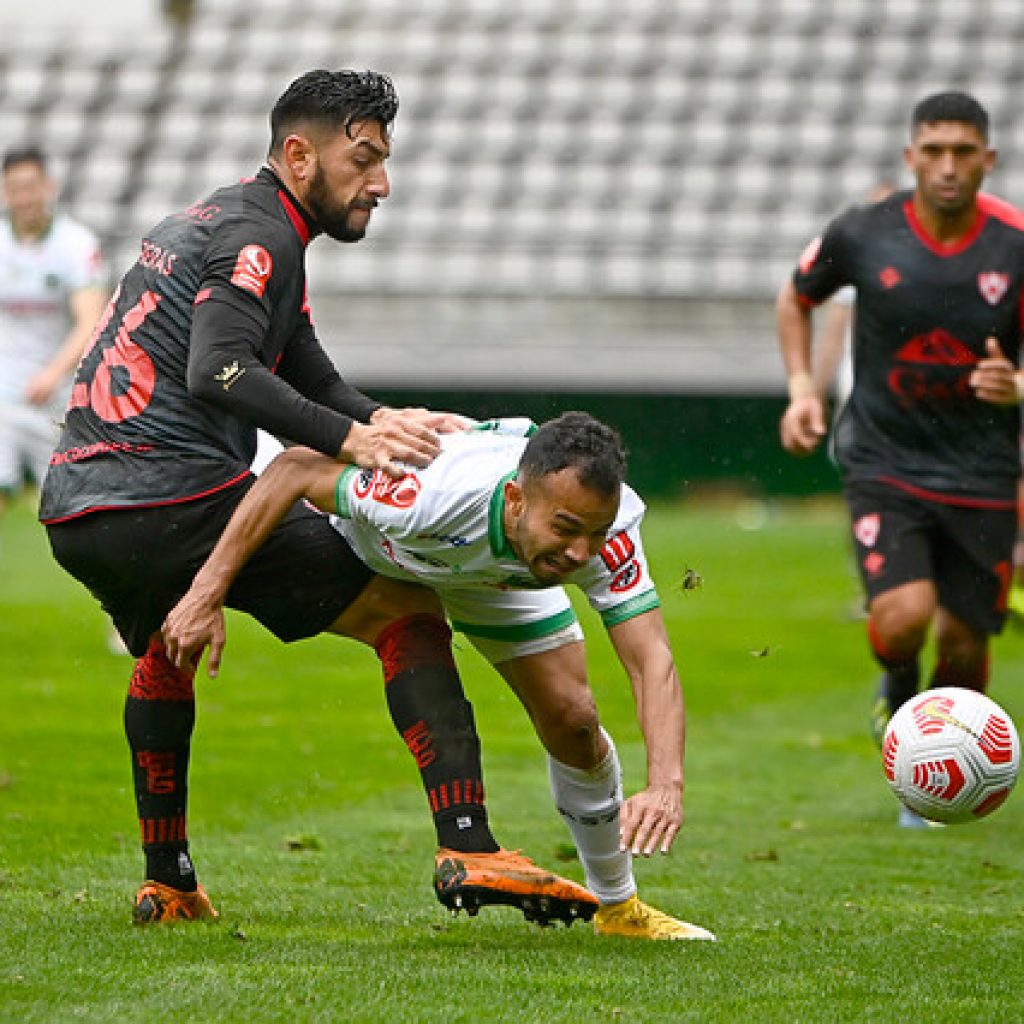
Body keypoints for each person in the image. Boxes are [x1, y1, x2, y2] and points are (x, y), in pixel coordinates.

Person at [39, 69, 591, 925]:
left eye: (385, 160)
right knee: (403, 607)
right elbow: (219, 370)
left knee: (168, 643)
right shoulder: (264, 239)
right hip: (166, 493)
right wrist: (350, 441)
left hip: (81, 506)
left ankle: (170, 880)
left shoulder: (222, 220)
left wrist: (383, 417)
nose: (381, 182)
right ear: (300, 155)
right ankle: (470, 843)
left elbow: (303, 366)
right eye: (362, 158)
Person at [162, 413, 717, 941]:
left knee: (574, 721)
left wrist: (666, 782)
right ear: (518, 499)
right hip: (391, 555)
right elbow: (294, 470)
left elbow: (651, 659)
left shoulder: (608, 529)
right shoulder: (426, 495)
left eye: (593, 535)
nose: (581, 552)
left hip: (497, 575)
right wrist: (204, 595)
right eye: (567, 528)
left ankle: (619, 907)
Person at [776, 91, 1024, 828]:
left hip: (983, 469)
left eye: (962, 152)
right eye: (934, 151)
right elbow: (797, 299)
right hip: (885, 458)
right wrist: (800, 390)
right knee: (905, 617)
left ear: (988, 159)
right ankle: (898, 693)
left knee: (960, 634)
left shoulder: (1015, 245)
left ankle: (948, 769)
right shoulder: (863, 231)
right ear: (912, 156)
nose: (948, 167)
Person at [0, 146, 107, 520]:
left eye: (31, 187)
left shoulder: (75, 245)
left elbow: (89, 319)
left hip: (58, 397)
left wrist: (51, 374)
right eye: (15, 188)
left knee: (65, 508)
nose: (24, 198)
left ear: (48, 187)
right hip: (6, 394)